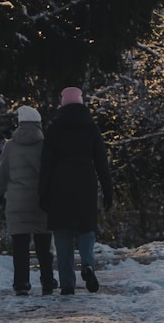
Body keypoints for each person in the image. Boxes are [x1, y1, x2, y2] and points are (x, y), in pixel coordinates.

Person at [38, 87, 113, 295]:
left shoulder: (54, 128)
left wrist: (42, 193)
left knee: (62, 236)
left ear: (62, 103)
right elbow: (101, 163)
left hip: (59, 186)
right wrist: (108, 191)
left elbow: (46, 164)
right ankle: (88, 265)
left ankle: (67, 284)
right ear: (81, 103)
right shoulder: (91, 128)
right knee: (86, 230)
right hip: (85, 185)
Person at [0, 105, 55, 296]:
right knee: (44, 245)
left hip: (17, 203)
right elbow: (51, 172)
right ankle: (47, 281)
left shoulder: (10, 146)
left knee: (20, 247)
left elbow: (1, 174)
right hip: (41, 202)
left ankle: (21, 283)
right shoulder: (45, 145)